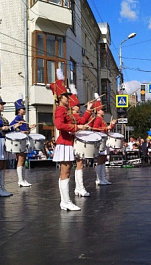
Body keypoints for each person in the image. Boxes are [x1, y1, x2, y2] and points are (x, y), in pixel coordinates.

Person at [50, 69, 88, 210]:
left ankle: (65, 201)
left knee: (67, 171)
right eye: (66, 95)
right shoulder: (60, 110)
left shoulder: (65, 110)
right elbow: (59, 125)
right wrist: (76, 128)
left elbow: (70, 124)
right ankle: (65, 201)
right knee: (65, 172)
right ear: (60, 97)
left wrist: (79, 126)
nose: (68, 97)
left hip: (68, 143)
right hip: (64, 143)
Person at [69, 84, 93, 196]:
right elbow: (82, 121)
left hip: (76, 142)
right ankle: (79, 187)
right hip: (74, 142)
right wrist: (88, 110)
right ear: (73, 107)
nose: (79, 107)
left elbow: (82, 121)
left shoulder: (74, 115)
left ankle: (79, 187)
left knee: (80, 164)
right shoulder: (73, 116)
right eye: (77, 105)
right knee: (78, 165)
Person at [10, 93, 36, 187]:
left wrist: (30, 128)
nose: (24, 110)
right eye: (23, 109)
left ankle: (23, 179)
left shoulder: (22, 119)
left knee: (23, 159)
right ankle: (20, 180)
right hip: (20, 141)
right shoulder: (17, 119)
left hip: (24, 140)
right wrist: (20, 131)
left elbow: (25, 130)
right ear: (18, 110)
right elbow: (11, 127)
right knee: (20, 160)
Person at [91, 93, 116, 185]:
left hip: (103, 140)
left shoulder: (101, 119)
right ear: (98, 111)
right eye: (102, 110)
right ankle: (99, 178)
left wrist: (111, 125)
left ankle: (103, 177)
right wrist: (107, 128)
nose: (103, 111)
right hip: (100, 141)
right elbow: (95, 129)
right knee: (100, 160)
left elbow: (105, 129)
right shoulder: (97, 119)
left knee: (103, 159)